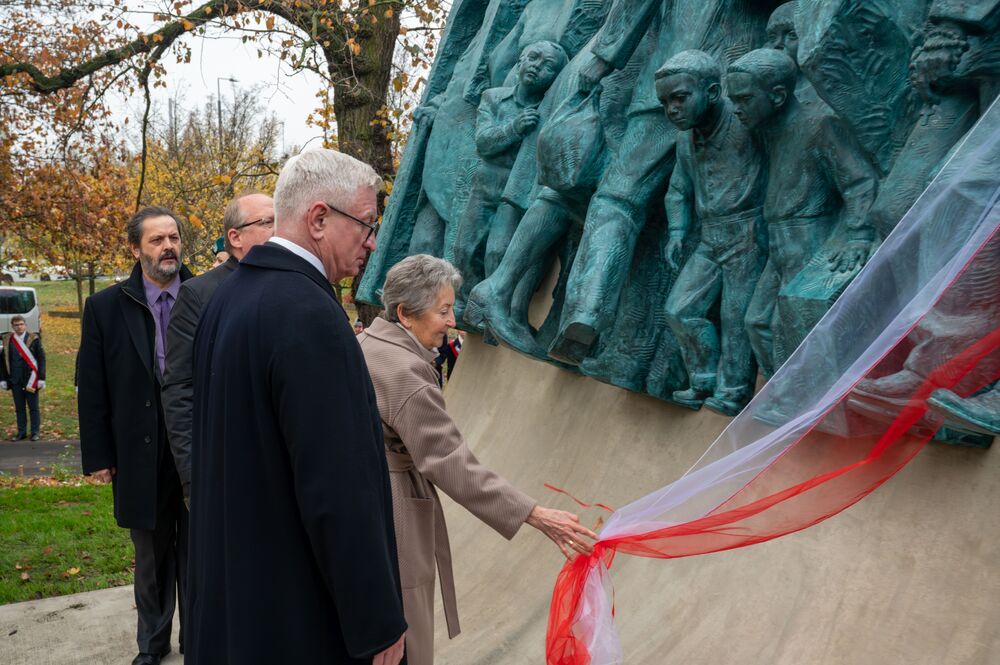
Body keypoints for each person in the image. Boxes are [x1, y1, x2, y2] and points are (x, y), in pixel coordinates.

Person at [187, 148, 407, 664]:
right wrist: (378, 621)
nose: (372, 242)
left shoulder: (228, 297)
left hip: (240, 600)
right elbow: (338, 488)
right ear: (319, 218)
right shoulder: (309, 313)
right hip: (298, 612)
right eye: (367, 224)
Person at [358, 254, 597, 665]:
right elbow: (450, 461)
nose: (451, 321)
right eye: (443, 310)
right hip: (392, 509)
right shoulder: (405, 374)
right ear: (405, 314)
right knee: (401, 635)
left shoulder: (366, 344)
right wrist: (535, 514)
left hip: (364, 501)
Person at [78, 206, 192, 665]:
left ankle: (201, 637)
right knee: (151, 557)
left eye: (174, 238)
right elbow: (93, 387)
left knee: (200, 550)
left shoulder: (206, 296)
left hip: (197, 447)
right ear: (135, 248)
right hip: (138, 453)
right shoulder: (106, 307)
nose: (169, 247)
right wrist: (99, 455)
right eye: (157, 240)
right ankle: (153, 642)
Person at [658, 50, 767, 415]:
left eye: (679, 97)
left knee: (736, 318)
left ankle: (733, 391)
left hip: (748, 231)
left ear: (713, 90)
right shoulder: (685, 140)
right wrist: (676, 230)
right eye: (665, 102)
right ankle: (703, 379)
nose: (672, 109)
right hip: (710, 236)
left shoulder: (746, 124)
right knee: (679, 309)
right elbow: (678, 190)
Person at [162, 192, 274, 504]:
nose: (279, 229)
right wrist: (192, 478)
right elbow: (180, 389)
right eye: (268, 222)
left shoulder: (298, 284)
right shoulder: (199, 294)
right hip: (226, 467)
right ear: (235, 238)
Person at [1, 314, 46, 441]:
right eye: (16, 325)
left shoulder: (34, 339)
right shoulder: (7, 340)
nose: (19, 327)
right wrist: (3, 378)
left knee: (33, 407)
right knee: (19, 408)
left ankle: (35, 432)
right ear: (13, 326)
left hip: (31, 379)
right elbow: (3, 361)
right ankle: (21, 432)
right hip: (15, 380)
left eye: (21, 324)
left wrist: (41, 378)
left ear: (25, 325)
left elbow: (41, 359)